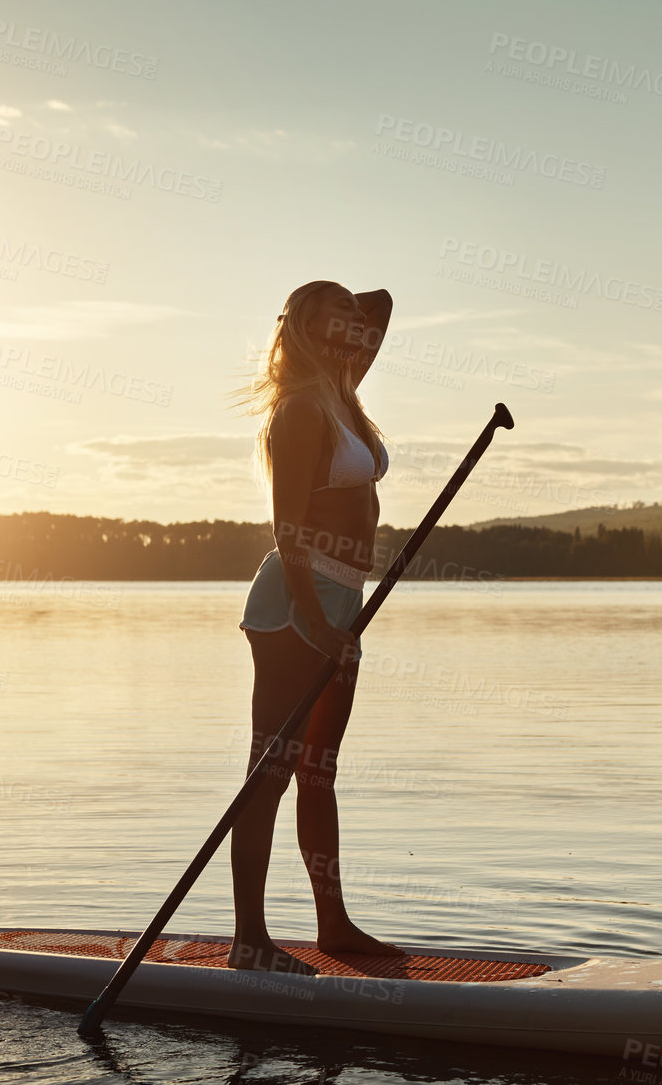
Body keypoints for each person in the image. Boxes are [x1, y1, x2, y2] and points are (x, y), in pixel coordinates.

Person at [228, 279, 404, 974]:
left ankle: (333, 926)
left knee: (318, 772)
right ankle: (249, 940)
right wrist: (309, 615)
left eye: (350, 315)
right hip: (295, 602)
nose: (355, 320)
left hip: (343, 600)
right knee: (268, 772)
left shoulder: (341, 387)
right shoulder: (301, 407)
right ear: (307, 325)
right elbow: (288, 527)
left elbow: (384, 302)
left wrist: (338, 312)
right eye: (337, 312)